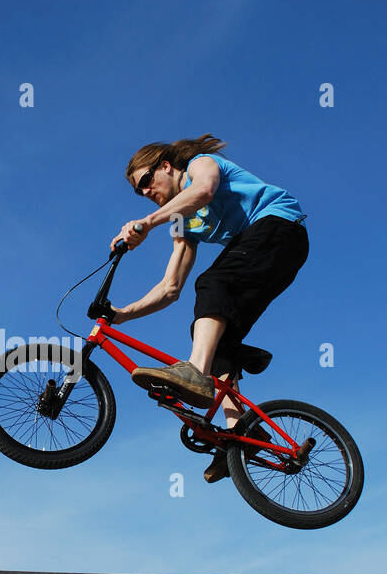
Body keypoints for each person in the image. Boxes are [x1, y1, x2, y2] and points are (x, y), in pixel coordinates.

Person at [108, 134, 308, 483]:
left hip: (280, 228)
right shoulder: (182, 224)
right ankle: (243, 433)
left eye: (145, 182)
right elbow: (170, 289)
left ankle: (194, 373)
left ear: (166, 167)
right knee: (214, 337)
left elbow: (203, 192)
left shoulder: (200, 165)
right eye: (137, 192)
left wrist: (146, 223)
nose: (144, 193)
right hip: (269, 256)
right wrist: (122, 314)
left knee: (213, 283)